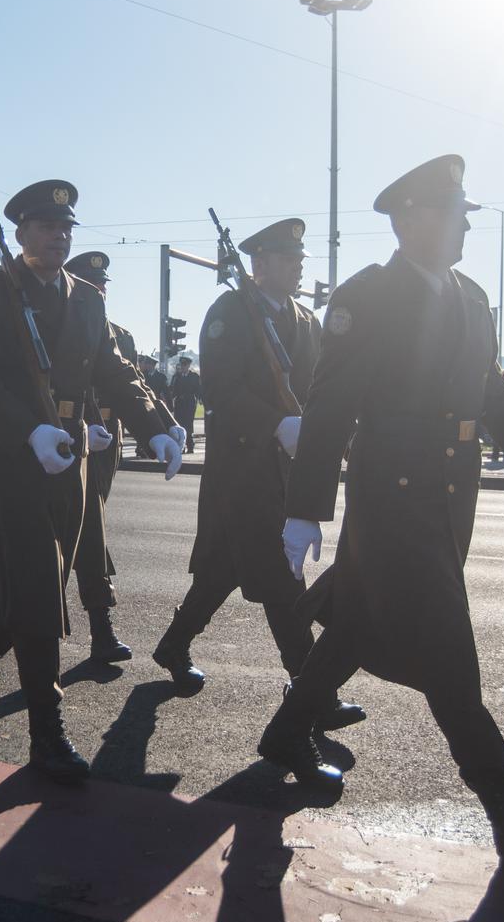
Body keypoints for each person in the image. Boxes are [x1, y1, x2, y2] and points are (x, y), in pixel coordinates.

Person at [258, 155, 504, 867]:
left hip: (451, 497)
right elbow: (330, 407)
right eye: (450, 214)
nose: (462, 228)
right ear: (408, 217)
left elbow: (495, 393)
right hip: (393, 496)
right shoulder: (367, 297)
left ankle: (287, 731)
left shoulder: (471, 296)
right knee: (449, 653)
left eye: (464, 215)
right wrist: (305, 509)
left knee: (354, 625)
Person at [0, 178, 183, 783]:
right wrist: (27, 430)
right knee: (35, 588)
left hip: (71, 456)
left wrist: (155, 423)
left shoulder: (85, 298)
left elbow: (112, 367)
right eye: (47, 227)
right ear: (22, 234)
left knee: (45, 583)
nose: (59, 236)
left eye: (66, 229)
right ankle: (46, 735)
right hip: (13, 460)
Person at [151, 219, 364, 729]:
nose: (296, 267)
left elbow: (320, 389)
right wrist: (276, 424)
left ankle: (173, 646)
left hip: (288, 469)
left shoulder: (307, 320)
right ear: (259, 264)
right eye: (286, 259)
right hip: (243, 469)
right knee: (283, 574)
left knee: (222, 572)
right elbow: (219, 391)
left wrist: (338, 437)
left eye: (299, 259)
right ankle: (312, 690)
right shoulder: (230, 311)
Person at [65, 251, 181, 662]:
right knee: (87, 531)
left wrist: (164, 426)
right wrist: (79, 426)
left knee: (84, 529)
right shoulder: (55, 327)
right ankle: (100, 629)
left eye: (103, 284)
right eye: (90, 283)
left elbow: (136, 385)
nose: (99, 290)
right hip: (70, 442)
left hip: (107, 443)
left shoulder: (120, 335)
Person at [169, 355, 202, 453]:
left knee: (188, 424)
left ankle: (190, 445)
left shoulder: (194, 376)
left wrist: (200, 398)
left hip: (189, 402)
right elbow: (172, 390)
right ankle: (181, 446)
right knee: (179, 424)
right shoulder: (176, 377)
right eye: (181, 365)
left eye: (184, 365)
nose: (182, 367)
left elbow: (198, 389)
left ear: (188, 365)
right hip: (179, 403)